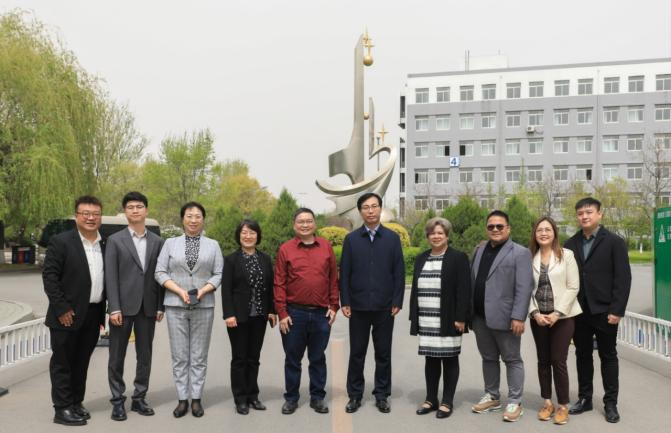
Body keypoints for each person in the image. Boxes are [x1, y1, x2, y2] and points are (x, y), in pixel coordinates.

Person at [564, 197, 631, 423]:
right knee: (582, 355)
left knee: (608, 356)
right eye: (580, 213)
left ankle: (610, 403)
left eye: (589, 212)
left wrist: (617, 310)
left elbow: (623, 278)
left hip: (605, 311)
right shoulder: (570, 244)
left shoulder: (614, 242)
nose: (584, 216)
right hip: (579, 311)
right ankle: (585, 399)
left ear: (599, 214)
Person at [155, 202, 223, 418]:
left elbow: (218, 273)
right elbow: (160, 272)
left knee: (199, 355)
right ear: (182, 219)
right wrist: (178, 291)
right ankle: (182, 399)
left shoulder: (213, 245)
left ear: (203, 219)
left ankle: (196, 399)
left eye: (198, 216)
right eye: (189, 216)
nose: (193, 220)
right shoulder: (170, 244)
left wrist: (204, 290)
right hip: (175, 305)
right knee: (180, 355)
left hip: (204, 305)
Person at [43, 196, 106, 426]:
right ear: (76, 216)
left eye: (95, 214)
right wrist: (62, 308)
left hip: (93, 313)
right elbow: (50, 277)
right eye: (85, 213)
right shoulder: (61, 242)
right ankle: (62, 409)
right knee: (63, 363)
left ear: (100, 217)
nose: (90, 218)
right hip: (66, 315)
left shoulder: (104, 243)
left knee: (82, 362)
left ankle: (76, 402)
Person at [339, 192, 404, 414]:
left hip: (385, 307)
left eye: (374, 206)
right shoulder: (352, 239)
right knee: (357, 353)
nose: (370, 211)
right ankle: (355, 395)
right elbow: (345, 272)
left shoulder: (392, 238)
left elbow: (399, 272)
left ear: (380, 209)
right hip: (358, 307)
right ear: (360, 211)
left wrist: (397, 300)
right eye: (366, 207)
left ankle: (382, 395)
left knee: (383, 354)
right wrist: (345, 301)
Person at [470, 210, 534, 422]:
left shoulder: (520, 253)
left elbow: (524, 287)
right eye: (491, 226)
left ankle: (515, 401)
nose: (495, 229)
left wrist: (518, 316)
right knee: (488, 358)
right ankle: (492, 396)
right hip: (480, 317)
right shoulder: (479, 250)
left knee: (512, 359)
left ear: (508, 228)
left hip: (507, 318)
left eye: (499, 226)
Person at [274, 208, 339, 415]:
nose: (305, 225)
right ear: (294, 225)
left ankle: (317, 397)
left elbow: (333, 279)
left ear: (314, 224)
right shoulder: (286, 249)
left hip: (321, 314)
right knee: (293, 359)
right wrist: (282, 313)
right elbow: (279, 283)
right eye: (300, 221)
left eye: (308, 221)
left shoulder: (326, 247)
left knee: (317, 358)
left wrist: (334, 306)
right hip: (294, 314)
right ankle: (291, 398)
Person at [105, 191, 164, 421]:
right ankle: (117, 400)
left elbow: (160, 275)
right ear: (125, 211)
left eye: (139, 206)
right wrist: (114, 308)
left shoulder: (157, 242)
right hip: (122, 308)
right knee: (116, 357)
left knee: (145, 355)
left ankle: (139, 398)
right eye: (130, 207)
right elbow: (111, 276)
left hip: (148, 307)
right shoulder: (115, 240)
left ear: (146, 210)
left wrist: (160, 306)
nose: (135, 210)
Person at [409, 217, 470, 419]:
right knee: (431, 359)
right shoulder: (422, 258)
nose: (436, 236)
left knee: (450, 359)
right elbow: (415, 289)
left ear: (447, 236)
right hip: (427, 318)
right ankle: (430, 399)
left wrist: (461, 317)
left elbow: (464, 289)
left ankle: (447, 402)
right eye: (432, 233)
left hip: (449, 318)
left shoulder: (458, 258)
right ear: (428, 236)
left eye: (440, 233)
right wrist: (415, 317)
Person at [528, 216, 581, 425]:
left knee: (558, 360)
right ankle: (547, 402)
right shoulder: (528, 257)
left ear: (554, 232)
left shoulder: (566, 255)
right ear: (535, 234)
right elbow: (524, 289)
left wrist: (557, 313)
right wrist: (534, 313)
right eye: (539, 230)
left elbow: (573, 286)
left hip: (563, 316)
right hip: (538, 317)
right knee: (543, 360)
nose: (543, 233)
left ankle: (563, 406)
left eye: (547, 229)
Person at [222, 219, 277, 415]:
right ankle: (240, 398)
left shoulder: (265, 259)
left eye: (252, 233)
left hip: (259, 316)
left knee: (254, 357)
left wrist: (272, 310)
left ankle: (253, 395)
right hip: (238, 317)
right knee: (239, 358)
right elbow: (226, 290)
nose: (248, 236)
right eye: (244, 232)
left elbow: (270, 287)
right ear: (239, 236)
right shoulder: (231, 260)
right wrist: (228, 313)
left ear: (258, 236)